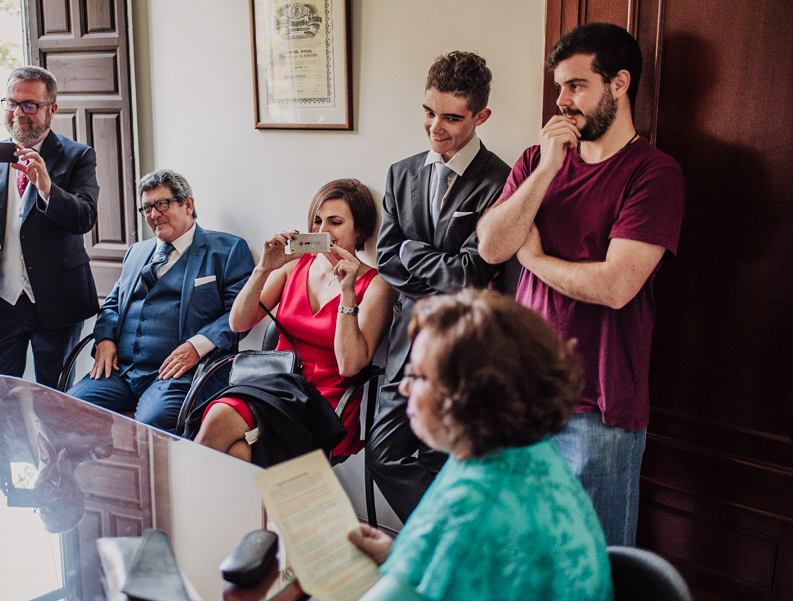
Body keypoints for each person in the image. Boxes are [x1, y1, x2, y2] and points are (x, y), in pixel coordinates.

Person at [224, 289, 614, 601]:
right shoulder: (527, 452)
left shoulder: (470, 505)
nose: (405, 388)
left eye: (419, 376)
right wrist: (397, 555)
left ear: (470, 396)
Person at [476, 23, 685, 546]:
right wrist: (546, 171)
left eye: (576, 85)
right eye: (559, 87)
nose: (562, 101)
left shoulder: (654, 174)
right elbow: (492, 246)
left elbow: (616, 286)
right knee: (526, 554)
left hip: (599, 407)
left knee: (592, 561)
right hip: (525, 393)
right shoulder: (535, 161)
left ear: (619, 83)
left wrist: (536, 259)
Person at [369, 51, 513, 521]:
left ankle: (442, 553)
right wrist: (434, 267)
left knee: (443, 462)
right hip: (406, 344)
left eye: (452, 117)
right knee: (382, 456)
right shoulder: (401, 172)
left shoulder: (501, 181)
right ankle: (439, 538)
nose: (436, 127)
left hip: (463, 348)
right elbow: (387, 260)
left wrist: (413, 252)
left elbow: (471, 272)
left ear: (480, 117)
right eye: (429, 112)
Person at [192, 179, 396, 465]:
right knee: (227, 430)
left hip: (327, 406)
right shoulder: (294, 265)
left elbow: (349, 366)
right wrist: (263, 268)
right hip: (276, 386)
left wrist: (348, 292)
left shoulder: (376, 285)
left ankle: (184, 492)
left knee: (228, 428)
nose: (322, 231)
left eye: (335, 222)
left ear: (359, 229)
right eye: (317, 221)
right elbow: (238, 323)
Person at [0, 66, 99, 389]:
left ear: (51, 109)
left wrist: (47, 190)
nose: (18, 113)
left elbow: (84, 218)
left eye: (29, 105)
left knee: (57, 400)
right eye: (12, 103)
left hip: (57, 302)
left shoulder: (78, 156)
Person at [67, 169, 254, 431]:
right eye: (147, 208)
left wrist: (196, 346)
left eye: (162, 204)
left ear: (188, 205)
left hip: (179, 375)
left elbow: (240, 316)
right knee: (68, 407)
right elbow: (112, 304)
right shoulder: (136, 251)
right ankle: (101, 456)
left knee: (152, 425)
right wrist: (105, 339)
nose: (154, 215)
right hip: (120, 372)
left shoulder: (227, 250)